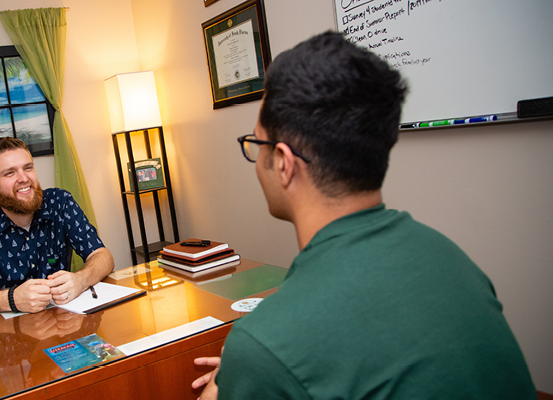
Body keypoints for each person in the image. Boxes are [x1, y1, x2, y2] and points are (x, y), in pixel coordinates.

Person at [192, 31, 536, 399]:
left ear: (284, 163)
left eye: (257, 144)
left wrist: (231, 382)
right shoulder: (451, 258)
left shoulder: (265, 342)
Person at [0, 137, 114, 314]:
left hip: (62, 323)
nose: (24, 179)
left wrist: (81, 280)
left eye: (28, 168)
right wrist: (10, 299)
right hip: (4, 333)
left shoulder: (59, 203)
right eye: (10, 173)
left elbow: (102, 256)